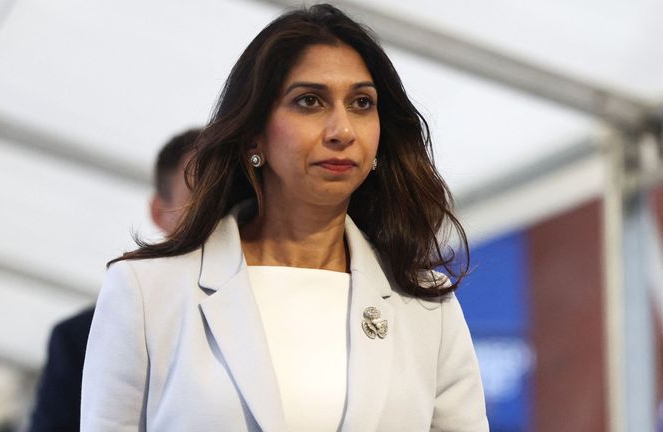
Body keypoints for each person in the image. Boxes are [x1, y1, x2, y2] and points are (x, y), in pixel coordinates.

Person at [82, 4, 487, 432]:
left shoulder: (426, 304)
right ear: (254, 133)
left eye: (361, 103)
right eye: (309, 101)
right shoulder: (147, 293)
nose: (341, 130)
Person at [27, 128, 199, 432]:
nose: (223, 213)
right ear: (159, 212)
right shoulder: (80, 338)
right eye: (201, 195)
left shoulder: (282, 307)